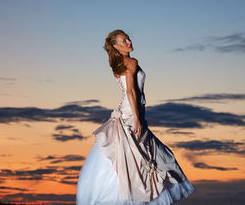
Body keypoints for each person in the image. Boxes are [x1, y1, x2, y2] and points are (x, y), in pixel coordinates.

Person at [76, 29, 195, 204]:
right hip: (131, 114)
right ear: (116, 46)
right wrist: (137, 119)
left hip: (128, 111)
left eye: (128, 39)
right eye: (124, 41)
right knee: (139, 158)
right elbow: (131, 91)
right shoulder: (130, 61)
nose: (129, 42)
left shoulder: (115, 62)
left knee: (135, 159)